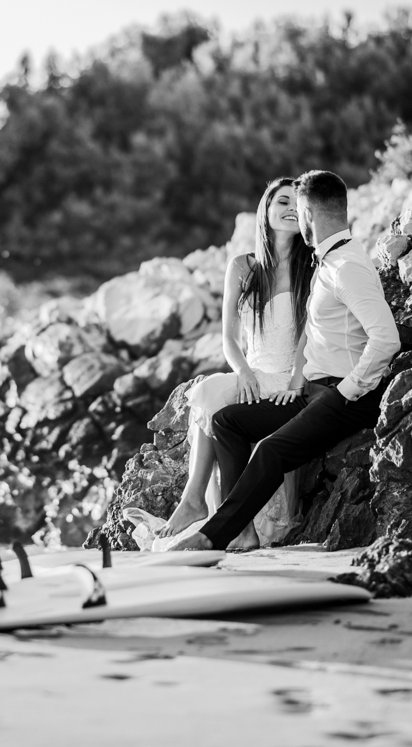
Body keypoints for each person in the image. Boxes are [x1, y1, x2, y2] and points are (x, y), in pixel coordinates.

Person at [166, 169, 400, 552]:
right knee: (227, 421)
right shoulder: (329, 262)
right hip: (313, 389)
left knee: (271, 450)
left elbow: (387, 338)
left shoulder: (345, 267)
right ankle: (234, 525)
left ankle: (213, 537)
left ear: (308, 214)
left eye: (297, 206)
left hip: (341, 396)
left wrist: (346, 391)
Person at [156, 177, 313, 549]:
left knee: (220, 407)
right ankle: (194, 501)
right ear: (266, 209)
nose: (290, 208)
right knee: (209, 390)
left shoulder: (312, 267)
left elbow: (310, 336)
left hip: (289, 378)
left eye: (297, 203)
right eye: (282, 201)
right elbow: (228, 337)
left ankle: (226, 516)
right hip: (252, 373)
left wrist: (296, 379)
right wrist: (242, 371)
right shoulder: (243, 267)